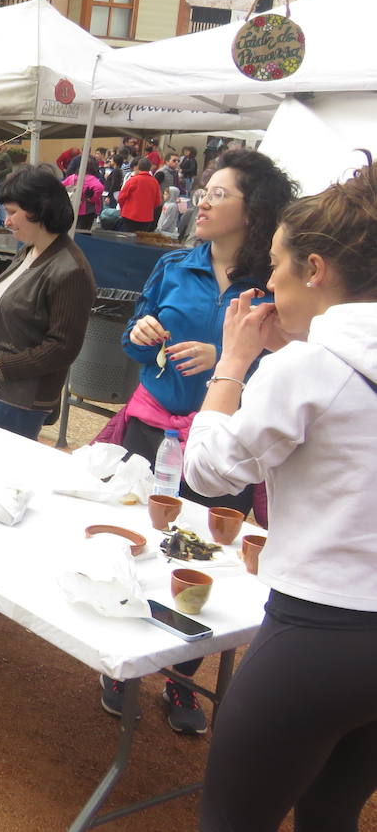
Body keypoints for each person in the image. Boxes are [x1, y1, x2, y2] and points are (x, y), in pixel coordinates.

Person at [184, 162, 377, 832]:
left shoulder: (308, 366)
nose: (268, 285)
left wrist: (233, 363)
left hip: (321, 629)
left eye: (277, 267)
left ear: (316, 268)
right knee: (330, 813)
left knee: (231, 821)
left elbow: (209, 472)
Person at [98, 149, 295, 735]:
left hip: (222, 445)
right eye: (204, 190)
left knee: (202, 557)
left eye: (219, 193)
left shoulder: (275, 286)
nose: (202, 200)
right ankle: (122, 664)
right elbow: (136, 345)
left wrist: (229, 362)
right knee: (136, 541)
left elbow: (288, 367)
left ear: (253, 210)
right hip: (150, 428)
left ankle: (183, 678)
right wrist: (139, 334)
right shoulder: (174, 266)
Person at [0, 165, 94, 609]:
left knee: (6, 489)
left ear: (39, 211)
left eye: (13, 211)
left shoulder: (69, 269)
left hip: (17, 395)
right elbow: (8, 308)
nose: (6, 219)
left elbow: (62, 348)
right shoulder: (33, 249)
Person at [115, 157, 160, 231]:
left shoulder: (133, 180)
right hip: (146, 217)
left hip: (129, 215)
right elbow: (157, 201)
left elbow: (121, 197)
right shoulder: (155, 182)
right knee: (140, 240)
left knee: (125, 239)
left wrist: (123, 209)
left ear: (138, 167)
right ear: (150, 168)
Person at [62, 156, 105, 231]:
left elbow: (61, 186)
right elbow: (99, 188)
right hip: (86, 210)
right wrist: (92, 199)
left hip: (72, 207)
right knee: (83, 233)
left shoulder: (72, 178)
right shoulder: (91, 179)